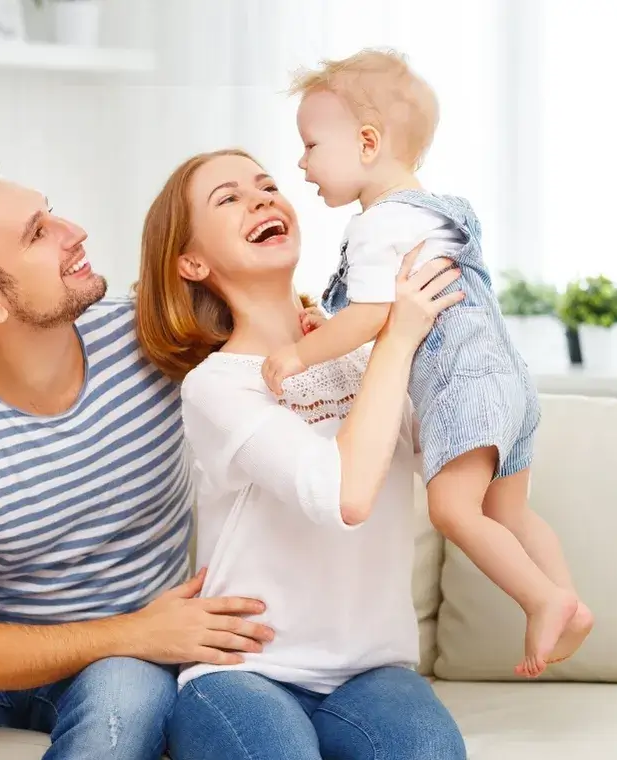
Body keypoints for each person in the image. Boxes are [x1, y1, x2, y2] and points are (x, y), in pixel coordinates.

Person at [0, 161, 277, 759]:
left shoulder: (154, 340)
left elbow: (277, 325)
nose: (75, 231)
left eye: (51, 211)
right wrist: (141, 630)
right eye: (38, 233)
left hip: (124, 661)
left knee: (122, 713)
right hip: (5, 650)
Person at [260, 48, 594, 678]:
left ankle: (543, 599)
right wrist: (332, 328)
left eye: (309, 146)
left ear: (366, 143)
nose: (301, 164)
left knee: (451, 510)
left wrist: (300, 351)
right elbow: (397, 317)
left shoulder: (376, 225)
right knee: (510, 512)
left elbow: (372, 320)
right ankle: (568, 598)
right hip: (509, 381)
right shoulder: (435, 211)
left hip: (463, 385)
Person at [134, 148, 467, 760]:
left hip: (372, 671)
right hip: (245, 670)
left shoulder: (366, 354)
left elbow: (457, 454)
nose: (261, 198)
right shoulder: (217, 384)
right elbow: (341, 495)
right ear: (192, 261)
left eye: (266, 185)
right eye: (228, 198)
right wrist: (394, 336)